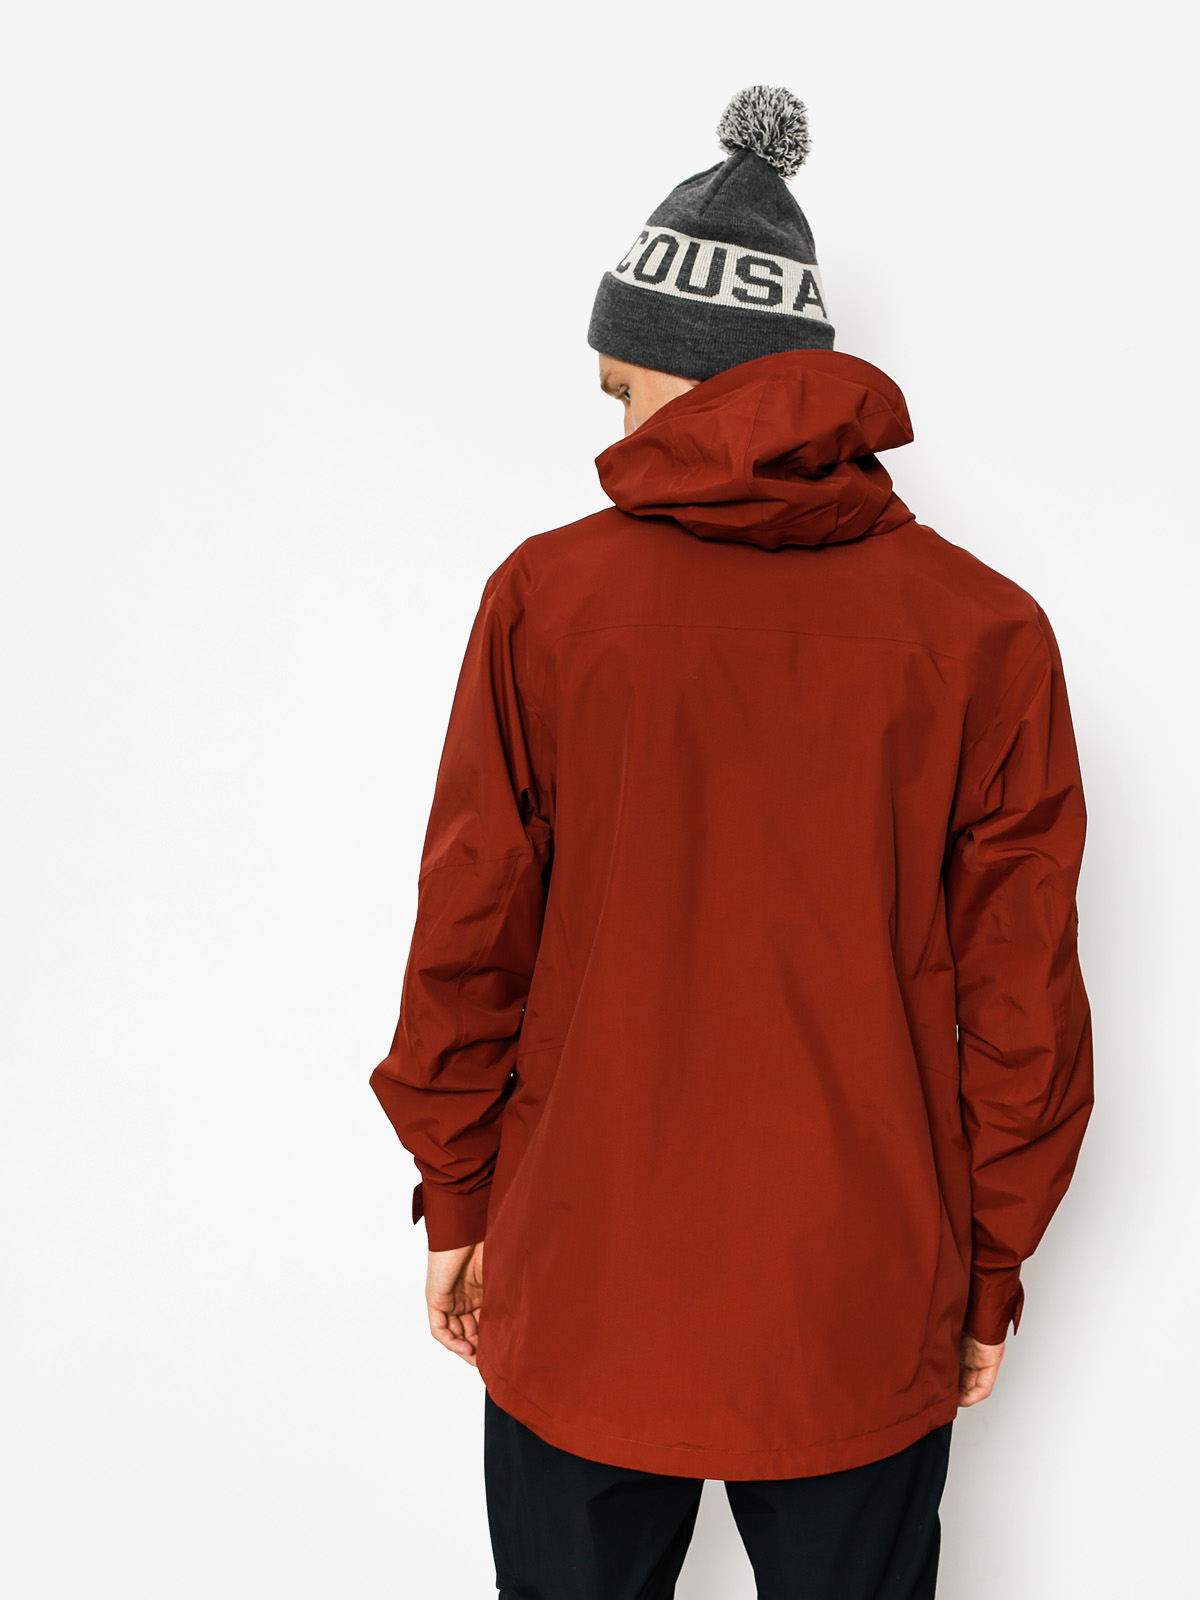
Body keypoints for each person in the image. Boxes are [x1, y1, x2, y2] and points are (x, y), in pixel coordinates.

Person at [368, 85, 1095, 1599]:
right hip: (859, 1288)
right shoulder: (984, 632)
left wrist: (459, 1194)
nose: (615, 426)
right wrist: (990, 1264)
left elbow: (470, 930)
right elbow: (1023, 997)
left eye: (621, 388)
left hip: (585, 1270)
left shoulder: (548, 602)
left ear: (688, 384)